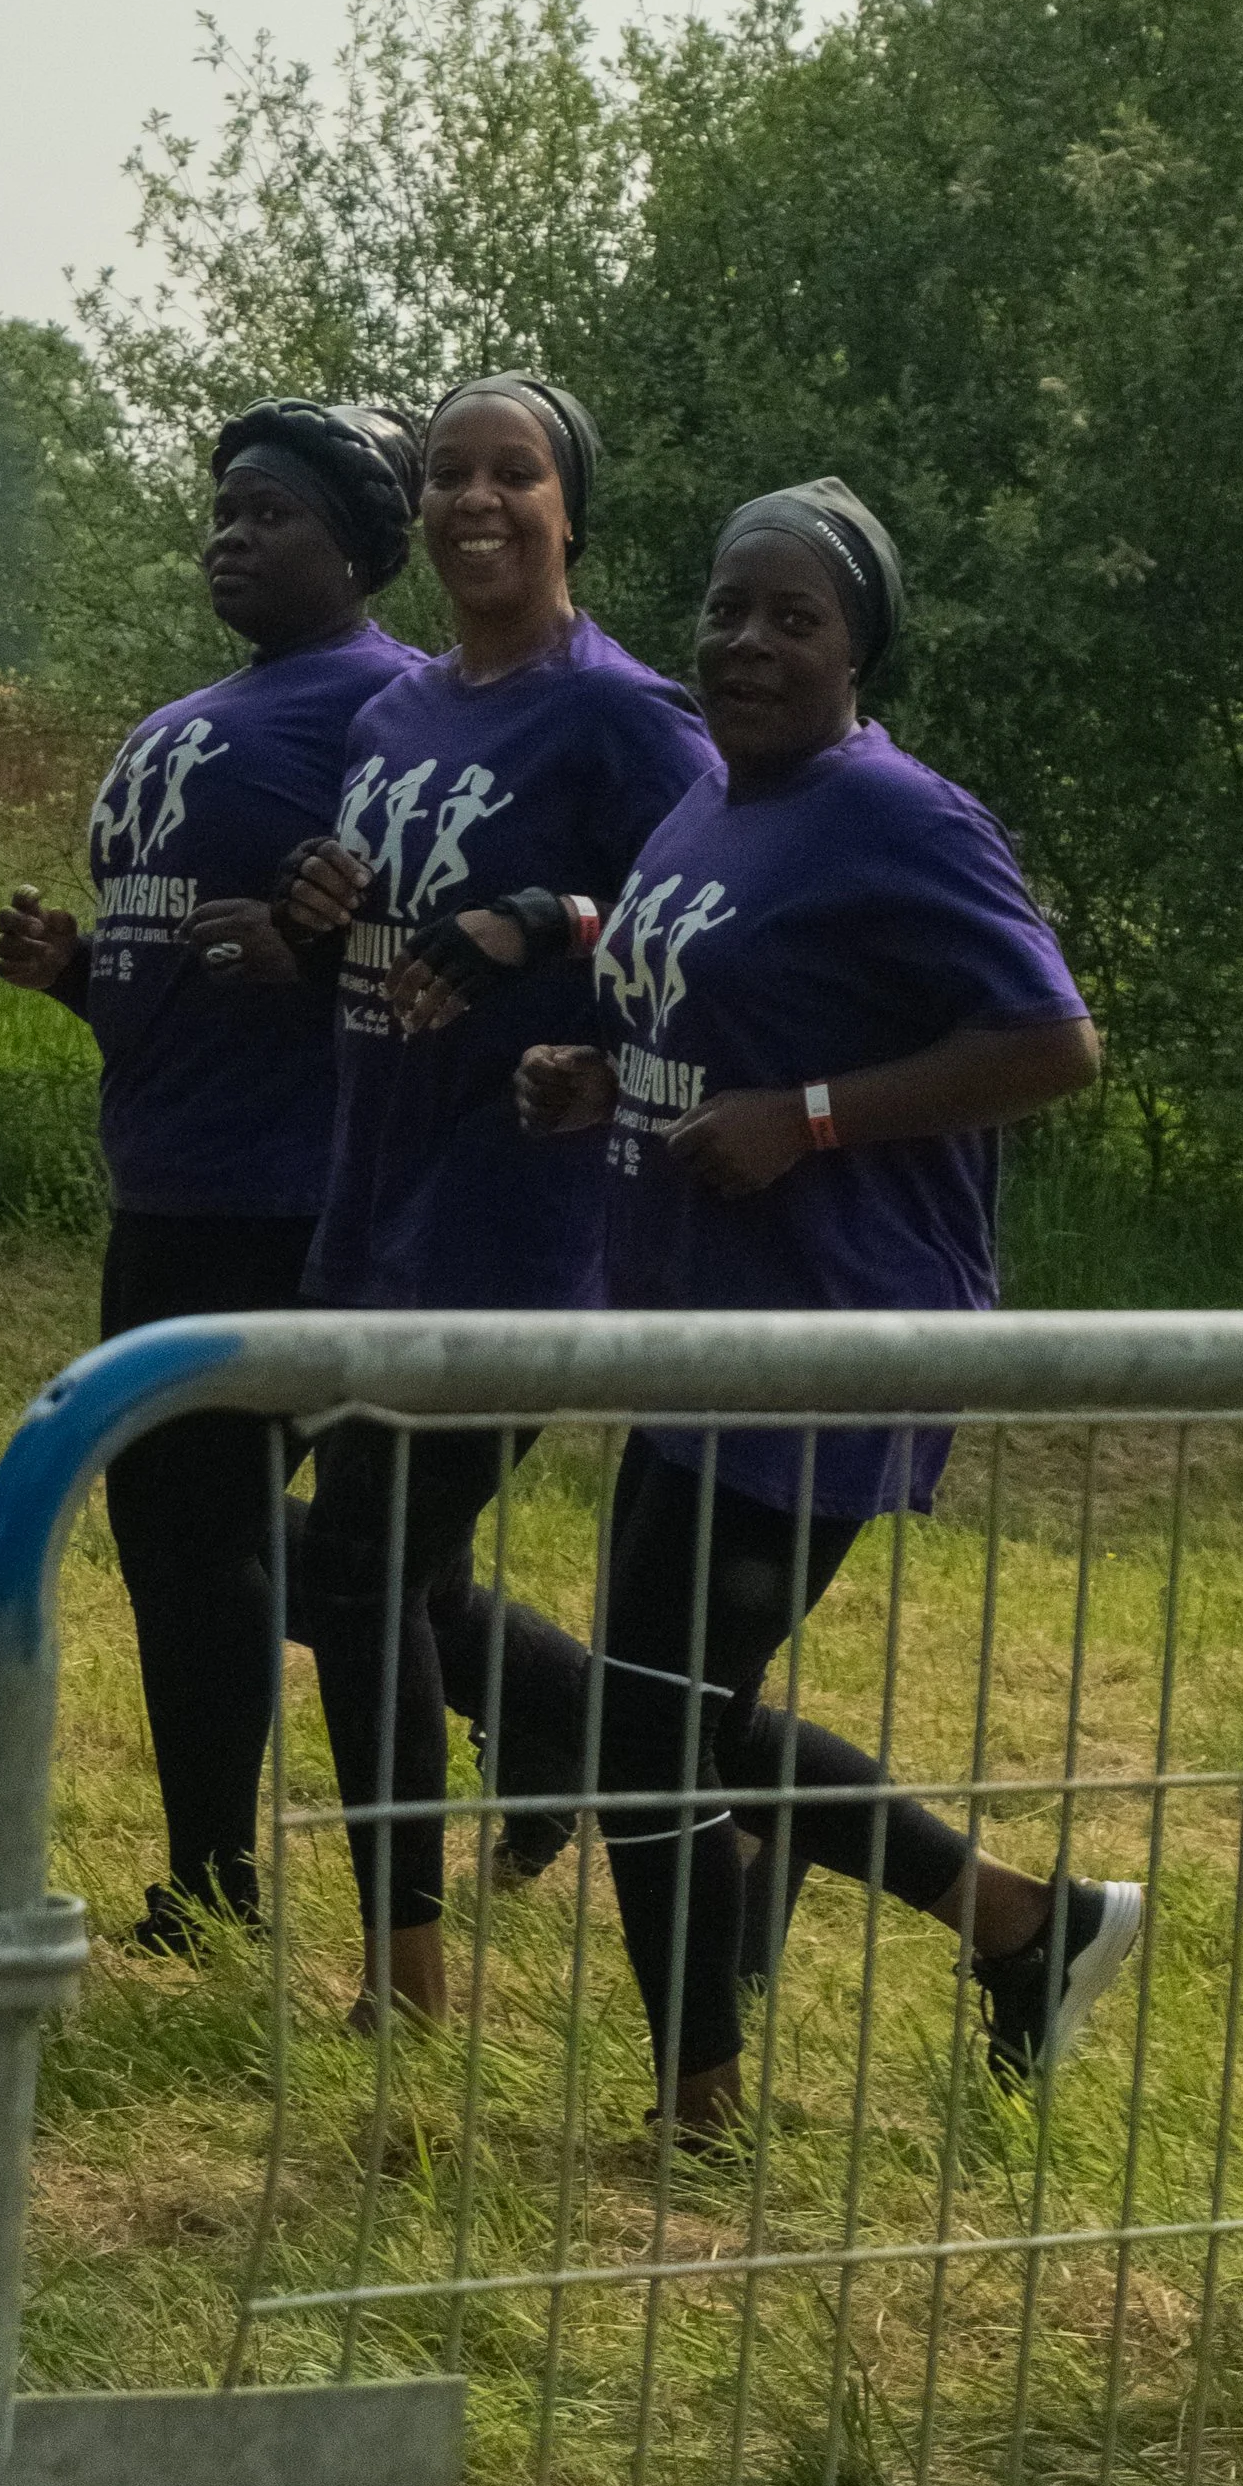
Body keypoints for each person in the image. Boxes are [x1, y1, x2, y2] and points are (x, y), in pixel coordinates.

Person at [513, 478, 1142, 2136]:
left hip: (835, 1333)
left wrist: (808, 1118)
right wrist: (606, 1077)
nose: (747, 642)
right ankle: (1026, 1923)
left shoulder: (902, 817)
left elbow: (1051, 1044)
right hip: (698, 1330)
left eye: (795, 619)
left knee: (644, 1735)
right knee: (668, 1719)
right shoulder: (707, 804)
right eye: (729, 608)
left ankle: (698, 2101)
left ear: (860, 651)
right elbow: (700, 1019)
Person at [276, 375, 718, 2028]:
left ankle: (405, 1978)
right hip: (373, 1186)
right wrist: (321, 904)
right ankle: (910, 1867)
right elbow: (383, 924)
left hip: (525, 1213)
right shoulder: (394, 716)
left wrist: (551, 918)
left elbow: (721, 907)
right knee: (386, 1567)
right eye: (448, 473)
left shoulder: (619, 711)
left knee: (362, 1569)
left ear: (569, 508)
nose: (475, 499)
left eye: (510, 473)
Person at [0, 401, 423, 1946]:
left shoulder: (386, 709)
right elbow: (175, 944)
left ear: (358, 548)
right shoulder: (210, 705)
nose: (230, 535)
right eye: (222, 511)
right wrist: (72, 970)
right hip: (165, 1179)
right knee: (211, 1523)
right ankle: (549, 1714)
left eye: (270, 513)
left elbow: (396, 945)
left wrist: (316, 956)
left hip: (287, 1190)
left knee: (195, 1522)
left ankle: (215, 1885)